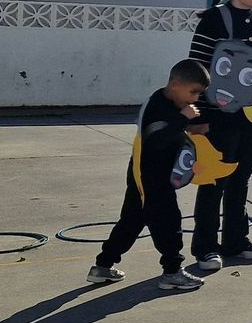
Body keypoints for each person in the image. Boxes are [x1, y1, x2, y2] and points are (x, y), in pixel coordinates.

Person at [88, 60, 212, 292]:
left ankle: (102, 266)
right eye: (193, 92)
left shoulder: (170, 102)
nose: (195, 99)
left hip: (145, 176)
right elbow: (157, 139)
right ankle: (172, 272)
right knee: (168, 222)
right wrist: (183, 119)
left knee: (131, 222)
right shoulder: (158, 105)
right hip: (151, 178)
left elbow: (169, 132)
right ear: (176, 84)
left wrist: (190, 128)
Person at [188, 0, 252, 271]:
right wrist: (195, 116)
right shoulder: (213, 20)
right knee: (214, 182)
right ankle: (205, 248)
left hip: (250, 117)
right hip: (217, 117)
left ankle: (236, 241)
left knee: (241, 180)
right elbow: (195, 69)